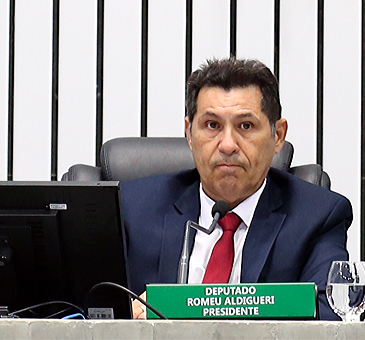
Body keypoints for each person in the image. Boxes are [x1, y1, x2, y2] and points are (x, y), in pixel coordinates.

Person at [119, 57, 351, 311]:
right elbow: (81, 310)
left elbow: (330, 319)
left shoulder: (317, 217)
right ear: (189, 133)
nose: (228, 144)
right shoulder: (131, 209)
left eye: (245, 126)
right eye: (212, 125)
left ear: (278, 136)